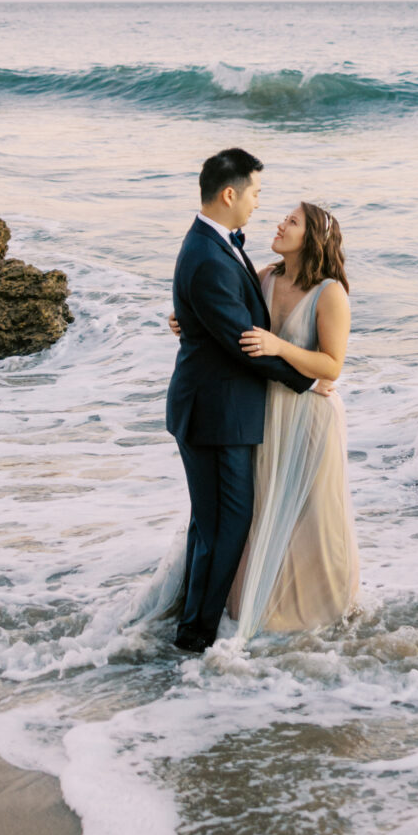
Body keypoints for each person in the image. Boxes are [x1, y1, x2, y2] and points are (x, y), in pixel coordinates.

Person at [165, 147, 317, 654]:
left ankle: (193, 623)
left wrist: (190, 324)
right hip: (216, 417)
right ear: (229, 193)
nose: (257, 203)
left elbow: (220, 321)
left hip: (215, 410)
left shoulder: (214, 246)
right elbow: (244, 343)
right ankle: (195, 638)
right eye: (254, 192)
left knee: (212, 526)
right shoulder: (208, 256)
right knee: (224, 527)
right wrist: (308, 379)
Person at [229, 200, 359, 636]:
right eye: (284, 219)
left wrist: (280, 347)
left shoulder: (330, 293)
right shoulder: (265, 277)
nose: (280, 224)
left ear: (313, 238)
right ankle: (267, 608)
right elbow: (235, 328)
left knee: (311, 515)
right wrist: (185, 324)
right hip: (267, 412)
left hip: (310, 417)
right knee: (265, 508)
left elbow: (331, 366)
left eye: (292, 222)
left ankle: (319, 612)